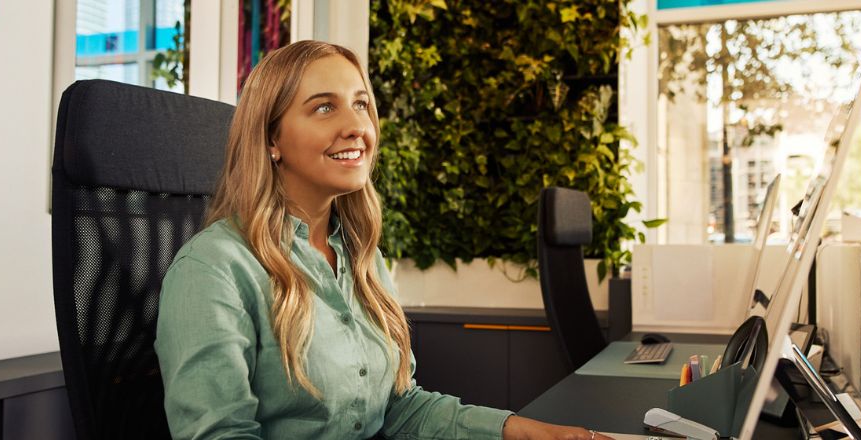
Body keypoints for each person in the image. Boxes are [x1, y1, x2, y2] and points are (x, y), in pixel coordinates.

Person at [155, 40, 613, 440]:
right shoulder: (214, 269)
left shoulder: (361, 257)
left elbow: (399, 408)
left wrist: (523, 431)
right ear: (271, 137)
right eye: (323, 106)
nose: (357, 126)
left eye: (360, 104)